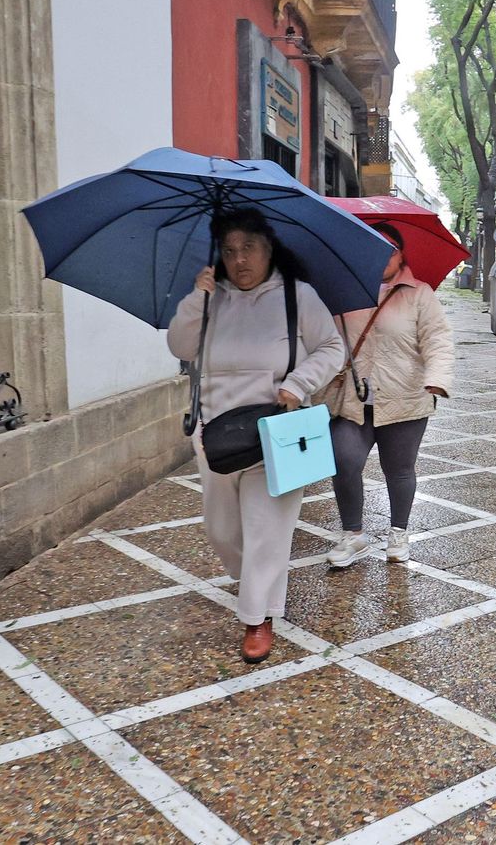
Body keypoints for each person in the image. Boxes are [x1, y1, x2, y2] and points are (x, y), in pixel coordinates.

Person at [168, 208, 345, 664]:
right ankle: (257, 585)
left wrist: (297, 385)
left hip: (276, 430)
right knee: (222, 530)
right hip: (217, 433)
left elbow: (332, 348)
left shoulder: (296, 296)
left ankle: (257, 617)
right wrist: (197, 298)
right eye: (229, 250)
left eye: (248, 247)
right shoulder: (212, 298)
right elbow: (181, 348)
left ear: (269, 249)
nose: (239, 259)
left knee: (267, 530)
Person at [322, 222, 456, 568]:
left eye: (388, 249)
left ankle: (399, 532)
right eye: (372, 248)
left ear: (401, 254)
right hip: (352, 398)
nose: (380, 256)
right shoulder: (342, 292)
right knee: (343, 459)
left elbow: (438, 340)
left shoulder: (419, 293)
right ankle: (353, 536)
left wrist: (437, 378)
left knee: (398, 469)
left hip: (405, 396)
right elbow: (327, 343)